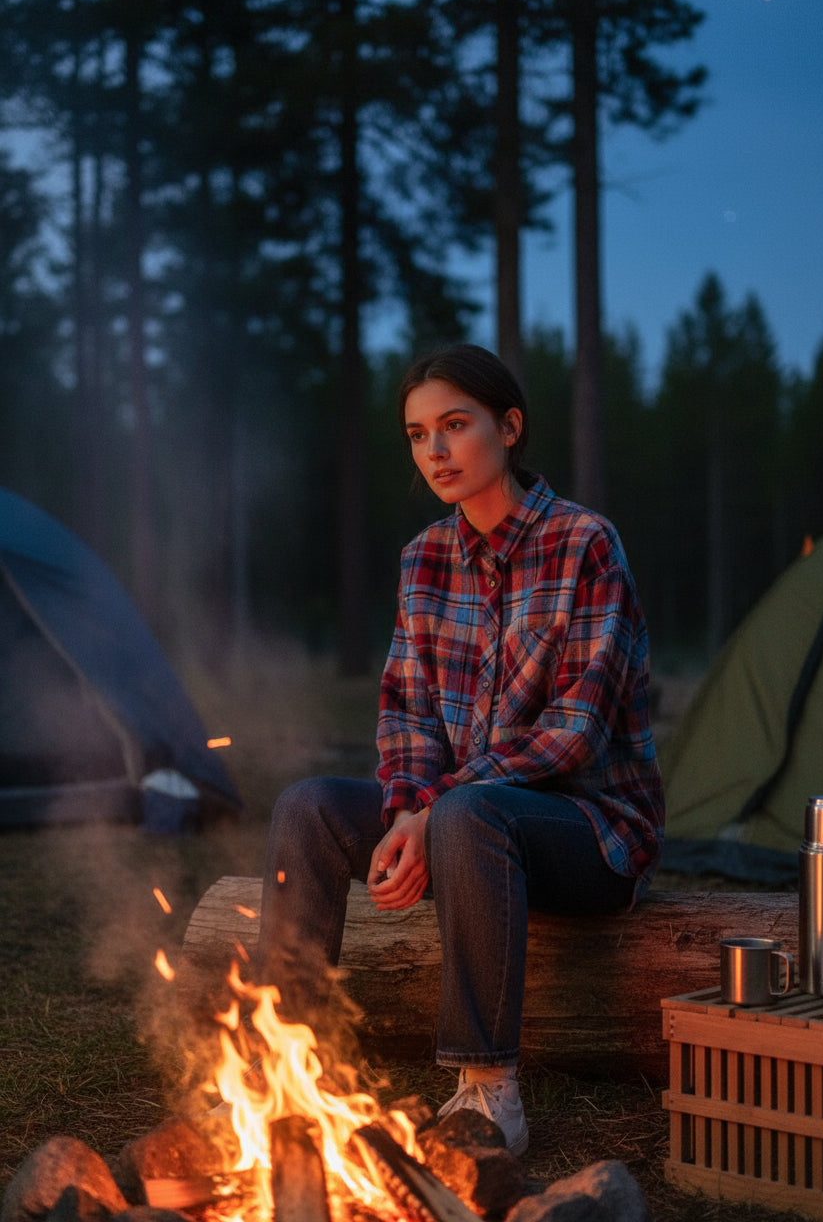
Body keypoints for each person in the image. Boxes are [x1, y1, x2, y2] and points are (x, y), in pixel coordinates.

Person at [257, 342, 664, 1157]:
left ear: (508, 427)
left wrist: (437, 807)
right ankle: (286, 1067)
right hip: (457, 817)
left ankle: (486, 1091)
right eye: (416, 434)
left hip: (590, 833)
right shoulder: (424, 560)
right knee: (306, 807)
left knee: (471, 811)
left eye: (454, 425)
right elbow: (406, 713)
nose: (434, 451)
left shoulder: (586, 545)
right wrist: (407, 806)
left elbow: (571, 734)